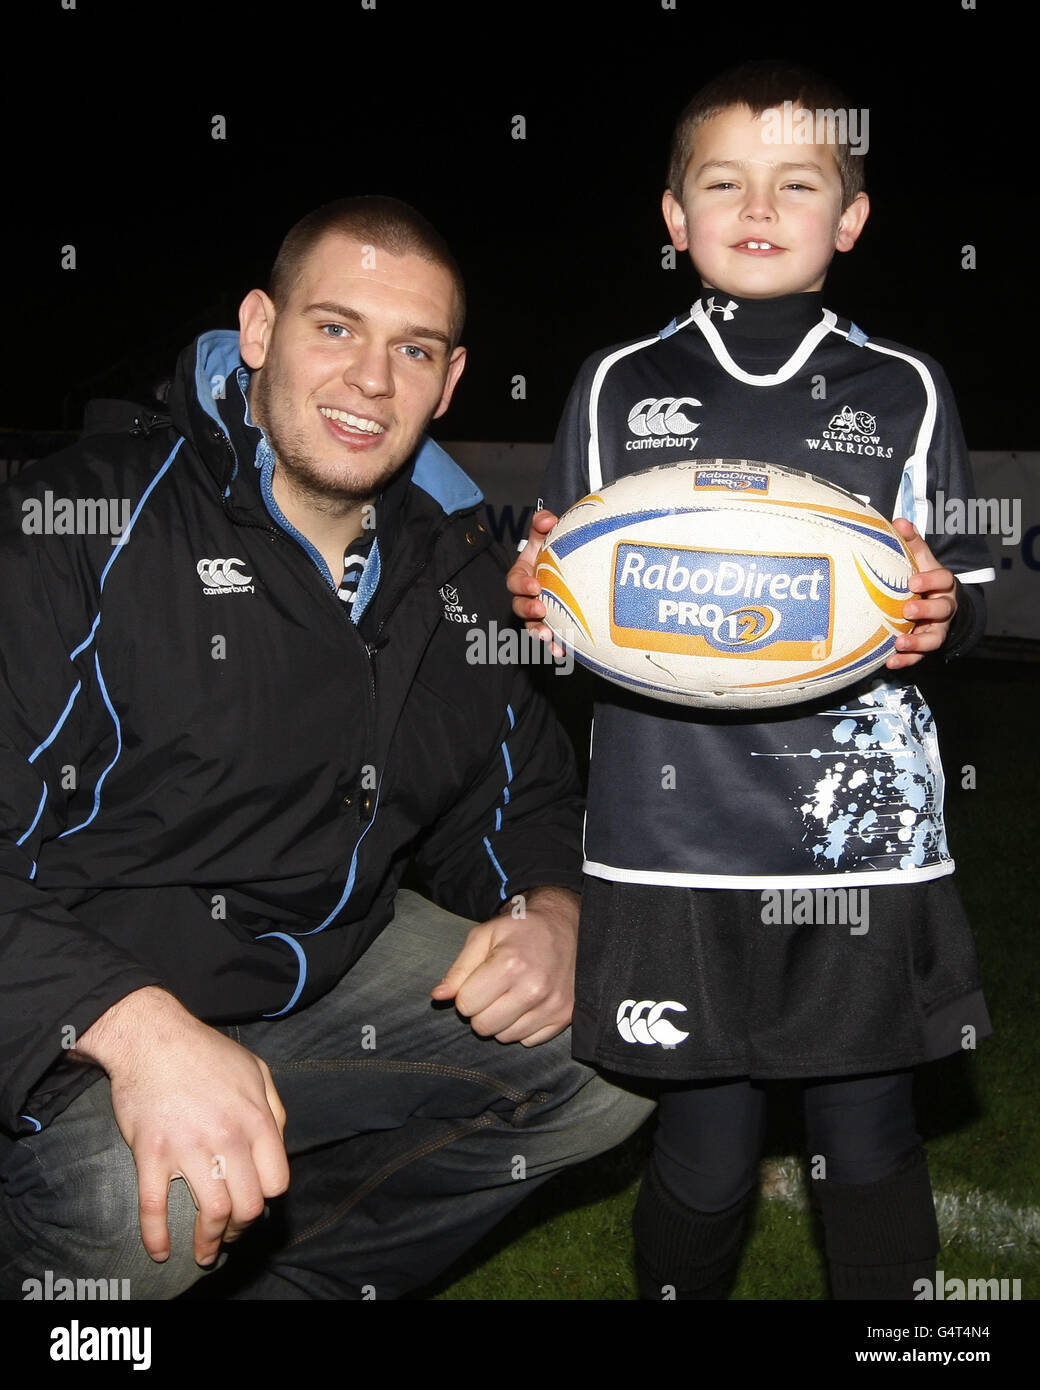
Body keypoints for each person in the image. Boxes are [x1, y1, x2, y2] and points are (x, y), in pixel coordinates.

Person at [0, 195, 653, 1301]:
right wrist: (131, 1023)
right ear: (259, 330)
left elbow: (515, 788)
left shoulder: (451, 571)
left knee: (612, 1050)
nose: (370, 381)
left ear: (448, 385)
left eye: (413, 349)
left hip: (318, 965)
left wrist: (550, 906)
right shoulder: (74, 524)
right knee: (147, 1209)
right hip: (76, 998)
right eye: (334, 328)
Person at [509, 61, 995, 1300]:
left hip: (855, 839)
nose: (757, 206)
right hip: (668, 835)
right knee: (705, 1149)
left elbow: (962, 594)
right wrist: (541, 609)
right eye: (722, 182)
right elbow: (573, 611)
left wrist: (946, 611)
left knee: (867, 1139)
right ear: (674, 218)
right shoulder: (617, 382)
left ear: (850, 218)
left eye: (797, 182)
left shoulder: (906, 387)